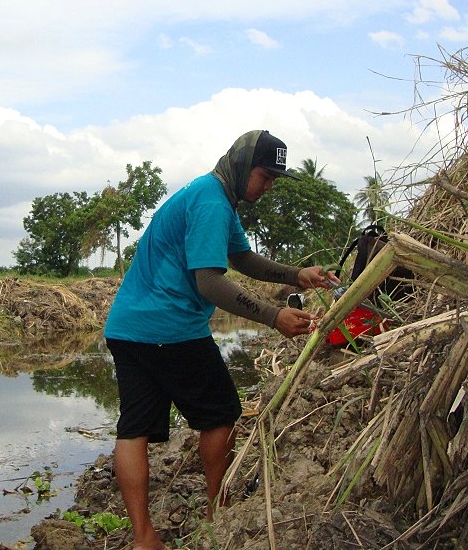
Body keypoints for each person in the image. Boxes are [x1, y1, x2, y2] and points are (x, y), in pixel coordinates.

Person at [103, 129, 340, 549]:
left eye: (273, 180)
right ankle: (219, 509)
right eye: (265, 176)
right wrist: (272, 316)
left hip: (127, 327)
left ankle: (144, 539)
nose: (267, 187)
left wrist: (295, 275)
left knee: (134, 428)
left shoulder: (210, 196)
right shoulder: (212, 203)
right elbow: (210, 281)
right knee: (222, 413)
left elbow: (241, 258)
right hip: (170, 329)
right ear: (243, 165)